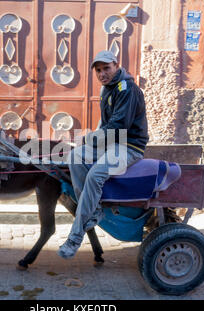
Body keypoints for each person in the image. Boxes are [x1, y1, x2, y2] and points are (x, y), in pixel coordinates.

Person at [57, 51, 149, 259]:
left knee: (96, 174)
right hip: (111, 143)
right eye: (98, 70)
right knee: (75, 158)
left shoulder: (127, 89)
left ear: (116, 65)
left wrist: (92, 139)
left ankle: (75, 236)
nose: (102, 73)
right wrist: (90, 141)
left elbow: (119, 126)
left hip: (129, 146)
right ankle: (94, 211)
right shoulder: (108, 88)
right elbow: (105, 122)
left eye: (106, 68)